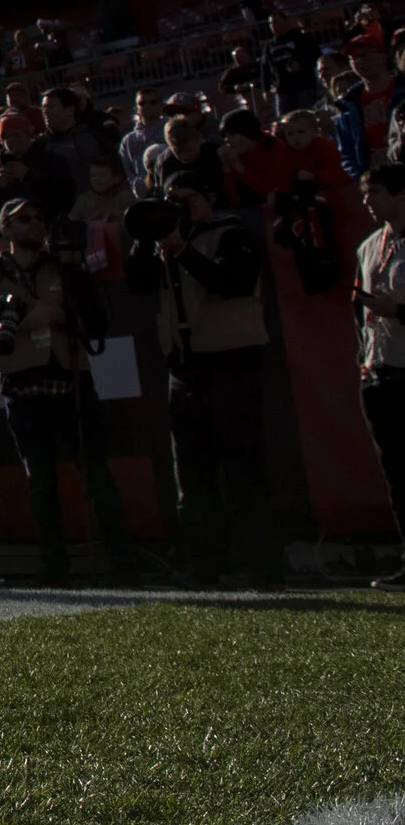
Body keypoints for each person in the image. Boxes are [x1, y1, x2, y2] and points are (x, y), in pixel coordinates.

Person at [0, 198, 140, 582]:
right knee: (40, 481)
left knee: (96, 474)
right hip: (21, 384)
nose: (35, 224)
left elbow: (97, 320)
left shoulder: (67, 265)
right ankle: (54, 565)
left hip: (70, 377)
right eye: (24, 219)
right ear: (5, 227)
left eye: (39, 217)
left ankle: (124, 560)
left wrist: (59, 315)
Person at [125, 175, 281, 587]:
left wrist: (183, 249)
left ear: (208, 197)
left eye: (184, 200)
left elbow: (234, 284)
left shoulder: (231, 233)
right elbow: (136, 284)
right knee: (192, 475)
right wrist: (147, 237)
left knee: (243, 469)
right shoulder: (161, 244)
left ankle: (261, 565)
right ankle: (205, 564)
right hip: (184, 367)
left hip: (231, 362)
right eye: (169, 201)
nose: (176, 208)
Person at [353, 165, 405, 592]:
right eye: (365, 194)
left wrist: (398, 311)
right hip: (381, 369)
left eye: (376, 193)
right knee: (398, 474)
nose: (368, 201)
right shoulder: (369, 246)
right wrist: (364, 360)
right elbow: (360, 307)